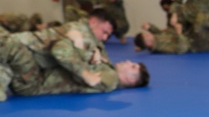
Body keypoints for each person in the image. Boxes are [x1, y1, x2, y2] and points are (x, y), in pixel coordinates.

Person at [0, 36, 148, 100]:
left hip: (33, 82)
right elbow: (96, 47)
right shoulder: (108, 68)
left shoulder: (111, 79)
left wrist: (86, 55)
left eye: (133, 66)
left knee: (12, 45)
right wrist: (95, 52)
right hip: (36, 72)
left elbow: (83, 76)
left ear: (129, 79)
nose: (129, 61)